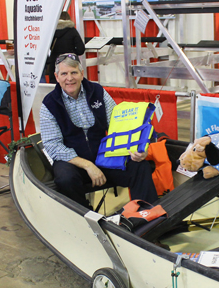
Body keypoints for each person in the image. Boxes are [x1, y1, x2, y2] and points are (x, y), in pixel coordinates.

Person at [40, 53, 158, 209]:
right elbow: (53, 146)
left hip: (103, 157)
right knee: (65, 180)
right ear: (56, 77)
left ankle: (146, 214)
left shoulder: (97, 91)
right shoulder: (49, 104)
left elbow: (119, 125)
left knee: (140, 166)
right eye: (64, 74)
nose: (70, 78)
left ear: (82, 73)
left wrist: (137, 150)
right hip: (72, 162)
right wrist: (88, 165)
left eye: (74, 72)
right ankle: (84, 216)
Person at [46, 12, 85, 84]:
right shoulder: (72, 30)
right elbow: (81, 50)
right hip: (70, 62)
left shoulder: (51, 31)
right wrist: (72, 52)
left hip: (54, 62)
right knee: (71, 84)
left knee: (55, 85)